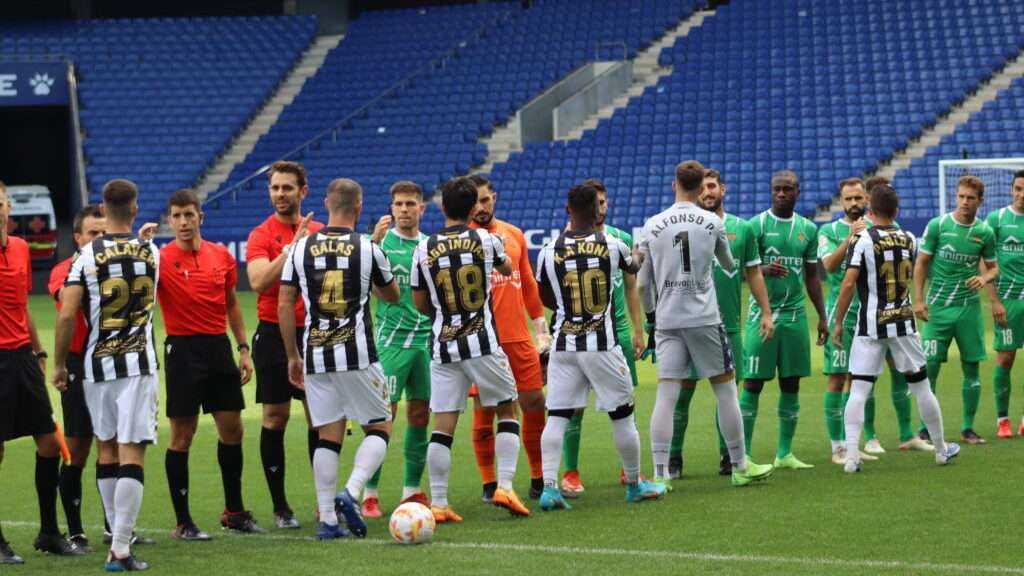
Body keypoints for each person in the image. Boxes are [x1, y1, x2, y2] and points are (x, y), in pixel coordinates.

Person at [641, 161, 775, 488]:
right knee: (726, 391)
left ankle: (660, 475)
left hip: (668, 319)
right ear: (702, 187)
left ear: (675, 184)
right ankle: (739, 465)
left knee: (667, 395)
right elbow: (731, 264)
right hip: (704, 317)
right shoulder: (712, 223)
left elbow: (643, 284)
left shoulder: (652, 224)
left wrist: (650, 318)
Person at [279, 178, 399, 540]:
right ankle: (352, 490)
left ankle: (328, 520)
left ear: (327, 205)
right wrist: (376, 261)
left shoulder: (299, 248)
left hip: (315, 354)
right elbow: (391, 296)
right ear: (359, 207)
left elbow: (284, 302)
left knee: (328, 435)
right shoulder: (367, 248)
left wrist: (291, 355)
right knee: (381, 425)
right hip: (357, 353)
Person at [535, 182, 664, 512]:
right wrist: (638, 253)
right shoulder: (612, 244)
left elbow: (544, 296)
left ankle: (550, 488)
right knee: (623, 415)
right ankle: (634, 484)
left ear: (568, 210)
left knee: (558, 416)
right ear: (596, 211)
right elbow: (632, 268)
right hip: (602, 344)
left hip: (564, 344)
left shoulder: (548, 251)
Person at [55, 179, 159, 571]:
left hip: (97, 365)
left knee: (108, 449)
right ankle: (120, 547)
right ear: (134, 210)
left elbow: (67, 314)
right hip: (138, 366)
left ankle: (116, 537)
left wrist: (59, 364)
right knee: (133, 452)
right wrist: (145, 237)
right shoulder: (152, 253)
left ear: (102, 208)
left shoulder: (83, 256)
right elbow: (140, 248)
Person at [412, 176, 529, 522]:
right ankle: (505, 486)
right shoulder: (486, 239)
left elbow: (420, 302)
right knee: (508, 410)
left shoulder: (423, 247)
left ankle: (439, 502)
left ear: (443, 208)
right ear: (472, 208)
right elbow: (507, 268)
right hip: (483, 343)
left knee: (442, 425)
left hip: (443, 345)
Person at [831, 183, 961, 472]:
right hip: (903, 325)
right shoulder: (909, 239)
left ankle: (851, 458)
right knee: (922, 387)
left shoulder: (862, 239)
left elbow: (849, 283)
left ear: (870, 209)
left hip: (869, 326)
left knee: (859, 390)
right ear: (896, 211)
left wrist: (838, 322)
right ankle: (940, 450)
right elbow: (918, 272)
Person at [156, 189, 262, 539]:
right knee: (182, 435)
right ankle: (183, 522)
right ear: (169, 221)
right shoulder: (158, 259)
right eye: (176, 216)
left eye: (189, 215)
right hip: (183, 351)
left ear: (201, 216)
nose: (183, 222)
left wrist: (243, 348)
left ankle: (234, 511)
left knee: (233, 429)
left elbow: (232, 303)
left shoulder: (221, 256)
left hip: (218, 348)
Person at [1, 181, 83, 565]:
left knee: (51, 443)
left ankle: (49, 531)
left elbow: (20, 305)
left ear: (7, 206)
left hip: (21, 357)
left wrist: (38, 351)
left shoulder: (19, 248)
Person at [819, 178, 930, 459]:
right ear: (841, 201)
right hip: (846, 313)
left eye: (859, 198)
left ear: (867, 200)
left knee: (898, 371)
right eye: (848, 199)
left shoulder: (879, 231)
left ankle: (906, 435)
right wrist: (850, 238)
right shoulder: (830, 230)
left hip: (882, 313)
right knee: (843, 378)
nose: (854, 204)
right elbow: (829, 266)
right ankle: (847, 444)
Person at [246, 161, 324, 528]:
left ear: (303, 191)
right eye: (275, 188)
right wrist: (291, 248)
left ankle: (325, 503)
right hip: (273, 335)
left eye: (287, 188)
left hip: (318, 334)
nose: (280, 194)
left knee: (320, 420)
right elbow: (260, 281)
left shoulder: (323, 232)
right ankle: (280, 508)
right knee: (274, 419)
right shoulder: (261, 234)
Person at [558, 178, 646, 495]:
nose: (602, 207)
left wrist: (638, 329)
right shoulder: (564, 243)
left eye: (605, 201)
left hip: (617, 331)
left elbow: (632, 286)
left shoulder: (619, 238)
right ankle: (570, 472)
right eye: (597, 202)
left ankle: (629, 469)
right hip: (581, 334)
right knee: (574, 406)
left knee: (624, 403)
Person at [467, 175, 550, 501]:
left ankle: (539, 476)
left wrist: (540, 325)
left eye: (485, 200)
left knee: (534, 403)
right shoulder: (461, 239)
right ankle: (489, 483)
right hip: (482, 339)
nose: (481, 207)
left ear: (494, 198)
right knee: (485, 408)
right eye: (474, 201)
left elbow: (527, 282)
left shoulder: (513, 234)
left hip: (518, 337)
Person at [739, 170, 827, 469]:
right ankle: (744, 455)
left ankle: (784, 454)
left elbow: (813, 277)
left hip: (795, 317)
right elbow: (740, 270)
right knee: (752, 384)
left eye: (787, 189)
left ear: (797, 192)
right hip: (760, 317)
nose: (780, 194)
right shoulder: (756, 226)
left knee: (791, 384)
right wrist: (762, 269)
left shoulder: (808, 229)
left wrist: (823, 317)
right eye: (776, 189)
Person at [361, 181, 433, 517]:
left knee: (420, 415)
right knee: (382, 418)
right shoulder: (379, 245)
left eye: (411, 204)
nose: (404, 210)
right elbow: (359, 287)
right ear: (391, 209)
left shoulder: (430, 247)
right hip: (391, 343)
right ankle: (370, 493)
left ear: (422, 209)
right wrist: (372, 244)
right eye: (399, 204)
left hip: (426, 344)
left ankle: (410, 491)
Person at [913, 175, 998, 445]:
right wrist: (918, 299)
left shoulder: (984, 232)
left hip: (968, 309)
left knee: (971, 367)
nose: (964, 202)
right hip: (938, 309)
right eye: (961, 196)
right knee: (931, 367)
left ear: (980, 202)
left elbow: (994, 267)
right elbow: (921, 263)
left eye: (970, 198)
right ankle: (925, 429)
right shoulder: (938, 225)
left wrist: (984, 279)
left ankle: (968, 428)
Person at [48, 204, 105, 553]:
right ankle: (75, 531)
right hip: (79, 362)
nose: (99, 239)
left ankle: (118, 528)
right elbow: (68, 303)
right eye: (92, 234)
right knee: (79, 447)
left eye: (104, 232)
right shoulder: (62, 271)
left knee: (114, 447)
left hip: (115, 358)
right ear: (78, 238)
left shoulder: (118, 266)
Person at [984, 170, 1024, 438]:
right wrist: (994, 301)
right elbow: (985, 263)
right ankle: (1003, 419)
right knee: (1006, 358)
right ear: (1011, 190)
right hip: (1008, 301)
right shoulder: (996, 219)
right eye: (1018, 189)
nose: (1022, 195)